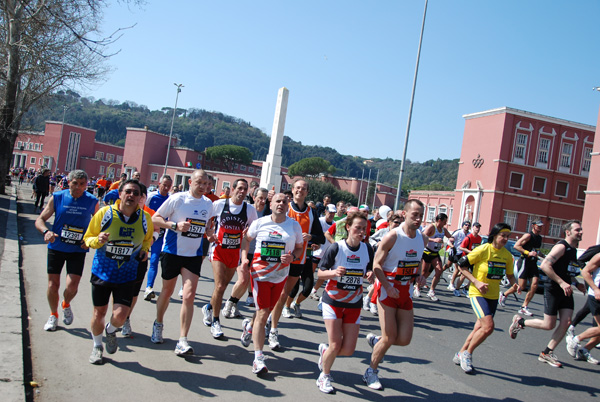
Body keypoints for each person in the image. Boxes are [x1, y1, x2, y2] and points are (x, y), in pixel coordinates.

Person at [83, 179, 153, 364]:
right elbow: (88, 237)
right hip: (102, 272)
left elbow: (147, 240)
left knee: (121, 316)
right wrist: (97, 240)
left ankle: (111, 330)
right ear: (120, 193)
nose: (131, 195)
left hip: (127, 274)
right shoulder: (105, 213)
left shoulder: (145, 218)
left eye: (136, 193)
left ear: (140, 198)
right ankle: (97, 347)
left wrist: (144, 251)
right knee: (99, 312)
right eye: (128, 191)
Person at [362, 200, 428, 390]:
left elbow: (417, 261)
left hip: (405, 291)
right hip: (387, 290)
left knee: (404, 339)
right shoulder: (392, 236)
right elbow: (376, 265)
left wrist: (419, 276)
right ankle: (371, 372)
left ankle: (377, 341)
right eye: (414, 214)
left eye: (420, 215)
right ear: (404, 214)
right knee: (390, 337)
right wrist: (386, 286)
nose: (418, 218)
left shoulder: (422, 239)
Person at [150, 169, 215, 356]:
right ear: (190, 182)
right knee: (167, 291)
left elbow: (207, 226)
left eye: (206, 184)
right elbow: (155, 218)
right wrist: (174, 226)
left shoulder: (208, 203)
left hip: (193, 255)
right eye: (199, 183)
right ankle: (158, 323)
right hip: (171, 251)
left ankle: (182, 340)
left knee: (188, 295)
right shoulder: (178, 199)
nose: (203, 187)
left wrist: (209, 234)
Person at [238, 193, 303, 374]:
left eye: (284, 202)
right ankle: (258, 357)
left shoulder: (294, 225)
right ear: (271, 203)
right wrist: (244, 260)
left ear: (287, 205)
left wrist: (292, 257)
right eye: (278, 201)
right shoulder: (260, 222)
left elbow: (299, 248)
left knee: (265, 313)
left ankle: (249, 327)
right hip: (260, 275)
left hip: (281, 275)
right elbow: (246, 240)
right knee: (263, 311)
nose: (281, 204)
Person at [508, 220, 586, 368]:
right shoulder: (561, 247)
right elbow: (545, 265)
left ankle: (546, 353)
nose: (580, 232)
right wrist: (562, 282)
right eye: (577, 230)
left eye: (581, 229)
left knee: (566, 322)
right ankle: (520, 322)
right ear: (568, 232)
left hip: (565, 289)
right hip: (554, 288)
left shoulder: (573, 249)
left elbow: (566, 270)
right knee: (548, 324)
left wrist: (576, 283)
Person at [316, 211, 374, 393]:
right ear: (348, 227)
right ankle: (324, 376)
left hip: (354, 303)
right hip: (333, 301)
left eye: (364, 229)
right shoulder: (337, 248)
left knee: (348, 350)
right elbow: (320, 272)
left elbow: (370, 269)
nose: (361, 231)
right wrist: (334, 273)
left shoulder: (368, 249)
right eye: (357, 227)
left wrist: (370, 274)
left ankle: (326, 355)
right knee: (335, 344)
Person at [35, 170, 99, 331]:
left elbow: (100, 225)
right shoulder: (58, 197)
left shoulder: (92, 201)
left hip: (78, 249)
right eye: (75, 183)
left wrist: (90, 240)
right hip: (56, 247)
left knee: (72, 287)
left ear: (86, 185)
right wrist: (46, 231)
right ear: (68, 182)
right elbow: (40, 219)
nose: (78, 187)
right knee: (52, 284)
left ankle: (66, 303)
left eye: (82, 184)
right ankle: (53, 315)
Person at [453, 223, 519, 373]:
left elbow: (509, 275)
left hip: (493, 296)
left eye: (508, 236)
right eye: (503, 235)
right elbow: (462, 265)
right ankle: (467, 354)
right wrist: (476, 281)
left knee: (479, 328)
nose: (505, 239)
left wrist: (516, 285)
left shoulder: (507, 256)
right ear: (494, 235)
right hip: (477, 293)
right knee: (488, 327)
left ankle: (460, 353)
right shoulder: (483, 249)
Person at [269, 179, 324, 348]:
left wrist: (311, 237)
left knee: (284, 294)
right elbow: (270, 221)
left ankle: (272, 328)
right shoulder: (285, 206)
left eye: (304, 188)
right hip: (279, 257)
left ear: (307, 192)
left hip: (298, 259)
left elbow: (320, 238)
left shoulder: (312, 213)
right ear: (292, 190)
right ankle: (262, 321)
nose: (300, 190)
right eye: (297, 187)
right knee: (271, 293)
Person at [202, 179, 257, 338]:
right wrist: (209, 233)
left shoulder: (249, 210)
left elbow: (251, 232)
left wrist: (247, 233)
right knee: (219, 286)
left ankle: (209, 308)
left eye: (245, 189)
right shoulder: (220, 204)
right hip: (218, 250)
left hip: (234, 253)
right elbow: (207, 220)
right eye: (239, 188)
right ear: (233, 189)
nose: (242, 191)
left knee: (223, 287)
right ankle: (216, 321)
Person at [224, 187, 272, 312]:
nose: (262, 201)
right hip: (242, 250)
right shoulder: (247, 209)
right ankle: (229, 303)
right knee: (243, 280)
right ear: (254, 197)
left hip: (258, 253)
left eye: (265, 199)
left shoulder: (268, 214)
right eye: (260, 198)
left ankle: (234, 303)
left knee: (248, 282)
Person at [499, 220, 544, 315]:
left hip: (533, 263)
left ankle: (524, 307)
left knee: (535, 284)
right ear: (533, 226)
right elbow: (516, 246)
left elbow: (537, 251)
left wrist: (545, 257)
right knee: (522, 286)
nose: (540, 228)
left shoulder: (539, 238)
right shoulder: (528, 236)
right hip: (524, 262)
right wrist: (528, 253)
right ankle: (504, 294)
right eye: (538, 226)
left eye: (541, 226)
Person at [565, 251, 600, 364]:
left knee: (598, 330)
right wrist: (595, 289)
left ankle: (584, 350)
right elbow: (585, 271)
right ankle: (575, 340)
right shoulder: (599, 256)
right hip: (596, 296)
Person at [143, 175, 173, 300]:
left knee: (154, 260)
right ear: (159, 184)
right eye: (164, 185)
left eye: (168, 186)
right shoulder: (151, 197)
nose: (166, 188)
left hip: (159, 235)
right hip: (145, 232)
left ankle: (149, 287)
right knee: (138, 258)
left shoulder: (171, 199)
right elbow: (141, 210)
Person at [414, 213, 454, 301]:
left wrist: (451, 239)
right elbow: (422, 236)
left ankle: (431, 290)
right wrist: (434, 240)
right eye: (444, 221)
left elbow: (450, 236)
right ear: (439, 220)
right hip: (427, 252)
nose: (445, 223)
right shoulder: (432, 227)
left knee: (439, 270)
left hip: (435, 253)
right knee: (424, 272)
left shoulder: (443, 229)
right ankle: (417, 287)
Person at [308, 204, 337, 300]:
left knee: (323, 275)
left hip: (327, 253)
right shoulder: (319, 221)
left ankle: (314, 291)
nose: (331, 215)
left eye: (333, 213)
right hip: (316, 251)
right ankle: (306, 288)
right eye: (330, 212)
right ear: (325, 211)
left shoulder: (335, 224)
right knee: (310, 272)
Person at [446, 221, 472, 296]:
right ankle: (451, 283)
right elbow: (449, 241)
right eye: (466, 225)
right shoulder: (458, 232)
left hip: (463, 254)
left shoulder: (469, 234)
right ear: (463, 226)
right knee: (456, 269)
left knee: (460, 271)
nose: (467, 226)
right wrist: (452, 246)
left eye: (468, 225)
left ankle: (454, 280)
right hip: (456, 252)